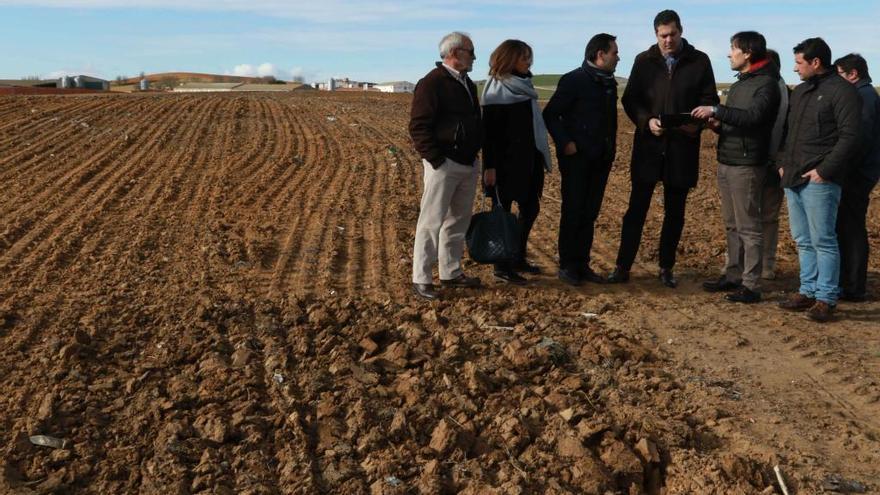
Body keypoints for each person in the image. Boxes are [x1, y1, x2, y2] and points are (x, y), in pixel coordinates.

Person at [608, 10, 719, 288]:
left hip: (682, 147)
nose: (668, 40)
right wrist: (647, 121)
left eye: (672, 34)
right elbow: (631, 99)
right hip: (649, 145)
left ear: (681, 31)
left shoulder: (699, 61)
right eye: (662, 35)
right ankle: (622, 266)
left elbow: (709, 99)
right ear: (655, 34)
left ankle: (666, 267)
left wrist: (694, 125)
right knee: (636, 209)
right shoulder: (644, 61)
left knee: (675, 212)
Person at [692, 31, 782, 303]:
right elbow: (738, 121)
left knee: (749, 226)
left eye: (733, 49)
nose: (729, 54)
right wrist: (719, 125)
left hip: (746, 165)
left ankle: (751, 284)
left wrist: (716, 111)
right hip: (727, 160)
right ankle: (733, 274)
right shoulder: (741, 84)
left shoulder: (767, 84)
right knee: (732, 224)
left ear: (748, 53)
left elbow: (755, 118)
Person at [777, 38, 861, 322]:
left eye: (799, 62)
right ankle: (807, 290)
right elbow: (789, 132)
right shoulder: (800, 92)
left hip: (820, 180)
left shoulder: (843, 92)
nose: (795, 68)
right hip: (793, 176)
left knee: (823, 240)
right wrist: (782, 163)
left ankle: (826, 298)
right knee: (802, 239)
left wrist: (825, 171)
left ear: (816, 62)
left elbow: (850, 137)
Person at [409, 31, 483, 300]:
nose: (475, 56)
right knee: (431, 222)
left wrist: (474, 155)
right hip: (444, 164)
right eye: (471, 51)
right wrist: (436, 160)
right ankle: (421, 278)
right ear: (455, 53)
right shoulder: (432, 83)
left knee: (457, 221)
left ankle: (451, 272)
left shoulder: (468, 83)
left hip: (466, 162)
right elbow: (418, 126)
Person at [543, 33, 621, 286]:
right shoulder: (574, 80)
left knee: (590, 213)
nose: (618, 57)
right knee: (573, 211)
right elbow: (552, 114)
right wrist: (566, 143)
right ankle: (568, 265)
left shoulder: (607, 83)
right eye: (614, 52)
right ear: (600, 54)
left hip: (601, 159)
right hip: (577, 160)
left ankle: (582, 263)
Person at [481, 39, 552, 285]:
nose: (529, 62)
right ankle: (502, 265)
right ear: (510, 59)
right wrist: (489, 167)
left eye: (529, 57)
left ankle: (518, 256)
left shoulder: (525, 86)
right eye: (524, 58)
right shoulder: (495, 91)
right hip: (504, 164)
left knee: (530, 208)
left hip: (529, 160)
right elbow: (488, 135)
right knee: (503, 214)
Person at [834, 53, 880, 302]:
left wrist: (840, 167)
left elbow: (858, 140)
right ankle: (849, 281)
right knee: (848, 226)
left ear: (853, 75)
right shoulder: (866, 95)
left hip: (857, 174)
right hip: (860, 171)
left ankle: (853, 286)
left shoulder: (862, 98)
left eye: (840, 74)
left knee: (850, 228)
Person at [760, 49, 790, 280]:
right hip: (752, 161)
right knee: (746, 216)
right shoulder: (758, 91)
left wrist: (780, 159)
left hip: (774, 164)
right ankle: (744, 262)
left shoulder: (789, 96)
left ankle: (767, 264)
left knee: (769, 216)